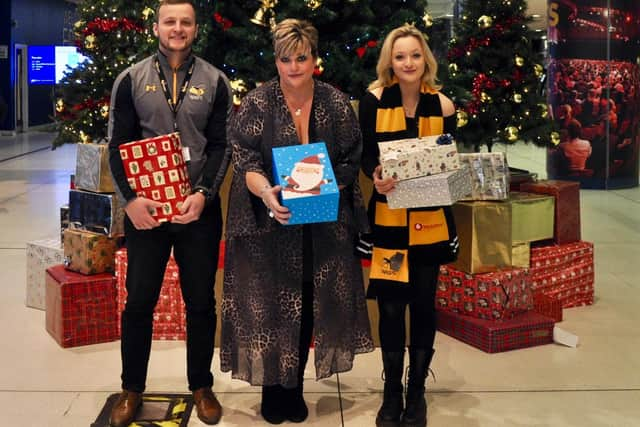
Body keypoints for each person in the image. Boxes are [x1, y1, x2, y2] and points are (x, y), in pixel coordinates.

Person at [220, 18, 374, 424]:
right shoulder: (257, 102)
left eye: (301, 58)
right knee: (271, 301)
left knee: (309, 301)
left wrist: (325, 185)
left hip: (321, 224)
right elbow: (245, 158)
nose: (293, 67)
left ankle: (296, 384)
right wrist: (266, 191)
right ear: (276, 60)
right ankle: (274, 386)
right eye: (285, 59)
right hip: (269, 222)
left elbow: (350, 156)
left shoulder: (335, 102)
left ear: (314, 59)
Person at [107, 1, 231, 425]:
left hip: (196, 210)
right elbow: (117, 146)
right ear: (156, 26)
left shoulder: (216, 81)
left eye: (186, 22)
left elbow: (221, 146)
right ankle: (131, 389)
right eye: (170, 21)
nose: (177, 29)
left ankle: (201, 385)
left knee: (200, 301)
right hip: (148, 212)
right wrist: (131, 201)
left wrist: (203, 195)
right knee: (139, 301)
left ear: (195, 28)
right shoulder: (130, 79)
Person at [359, 24, 459, 427]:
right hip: (388, 223)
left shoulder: (445, 107)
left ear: (425, 59)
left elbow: (450, 169)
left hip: (431, 223)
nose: (408, 63)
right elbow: (366, 155)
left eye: (415, 55)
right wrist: (376, 172)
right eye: (400, 56)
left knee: (422, 304)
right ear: (390, 62)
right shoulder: (373, 100)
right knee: (390, 304)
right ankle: (391, 393)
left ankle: (416, 393)